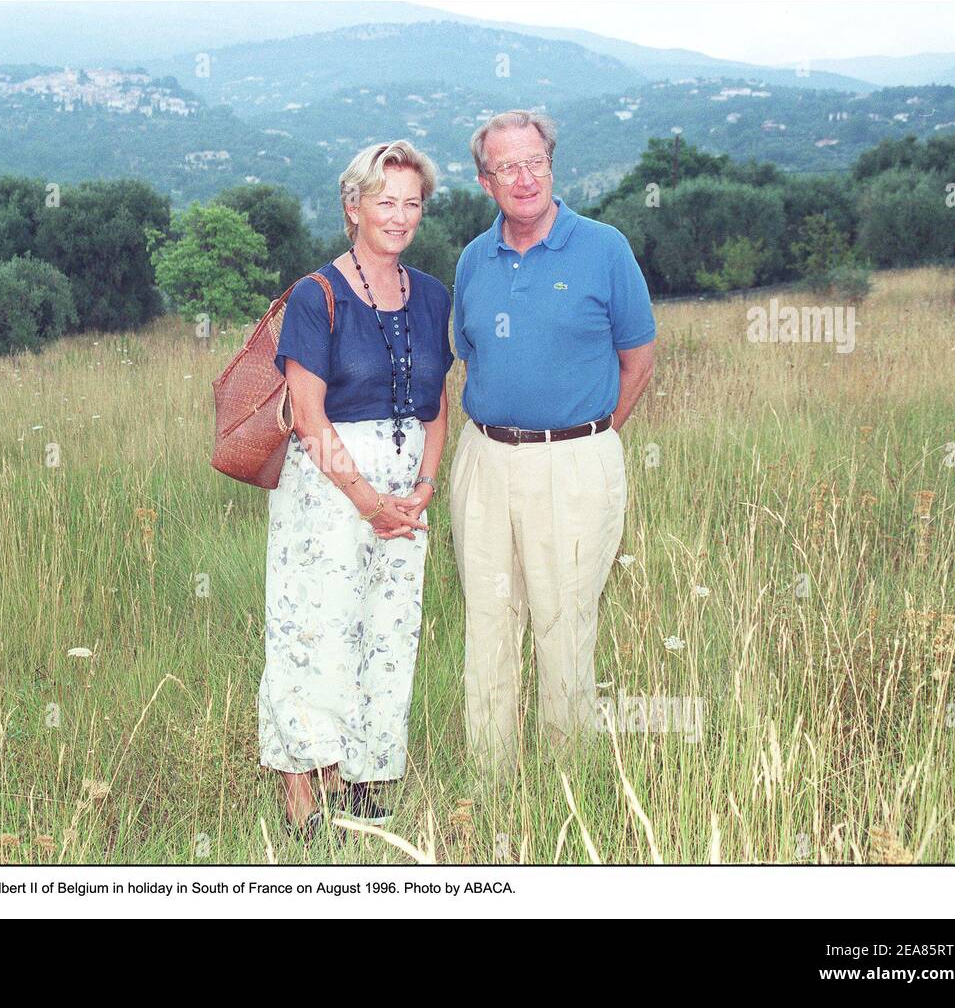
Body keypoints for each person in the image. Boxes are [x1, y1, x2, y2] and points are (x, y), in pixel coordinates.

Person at [449, 110, 657, 773]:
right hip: (482, 459)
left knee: (563, 628)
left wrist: (585, 440)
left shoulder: (604, 247)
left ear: (552, 163)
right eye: (507, 166)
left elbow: (639, 359)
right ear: (486, 182)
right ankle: (491, 783)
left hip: (575, 462)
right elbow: (470, 354)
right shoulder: (473, 260)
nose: (525, 176)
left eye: (535, 160)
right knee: (487, 626)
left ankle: (561, 789)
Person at [260, 140, 454, 844]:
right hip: (331, 489)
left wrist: (424, 486)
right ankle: (302, 786)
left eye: (411, 203)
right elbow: (308, 417)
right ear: (353, 208)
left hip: (407, 489)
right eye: (385, 201)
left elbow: (436, 403)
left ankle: (365, 776)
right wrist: (368, 500)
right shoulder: (318, 295)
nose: (399, 216)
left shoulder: (434, 295)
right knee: (316, 627)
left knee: (389, 631)